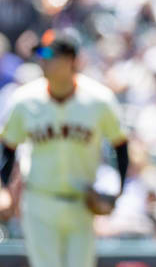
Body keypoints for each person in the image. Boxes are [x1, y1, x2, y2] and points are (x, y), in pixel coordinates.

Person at [0, 28, 129, 267]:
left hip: (82, 203)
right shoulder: (24, 99)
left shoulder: (99, 100)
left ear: (71, 60)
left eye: (51, 56)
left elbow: (119, 145)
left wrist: (116, 190)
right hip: (39, 200)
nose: (44, 61)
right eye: (42, 55)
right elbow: (7, 147)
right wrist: (4, 189)